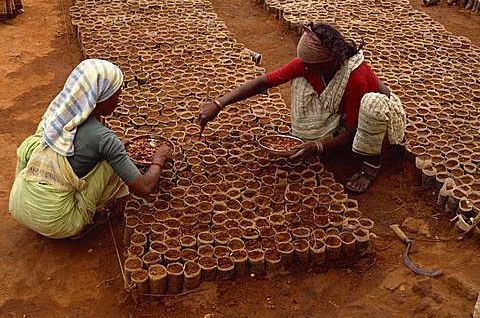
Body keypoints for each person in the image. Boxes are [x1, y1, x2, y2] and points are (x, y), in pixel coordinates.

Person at [199, 22, 406, 194]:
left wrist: (318, 146)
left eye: (310, 65)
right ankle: (331, 136)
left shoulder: (355, 79)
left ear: (331, 61)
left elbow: (354, 131)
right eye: (304, 63)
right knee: (299, 81)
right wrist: (219, 103)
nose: (305, 67)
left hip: (374, 113)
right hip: (343, 108)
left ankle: (371, 164)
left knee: (371, 108)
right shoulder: (309, 66)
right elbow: (264, 82)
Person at [9, 59, 171, 239]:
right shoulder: (104, 139)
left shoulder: (56, 115)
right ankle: (83, 219)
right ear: (100, 97)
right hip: (59, 223)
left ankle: (37, 201)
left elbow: (24, 151)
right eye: (116, 94)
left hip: (19, 206)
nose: (119, 99)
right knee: (111, 164)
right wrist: (159, 159)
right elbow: (144, 188)